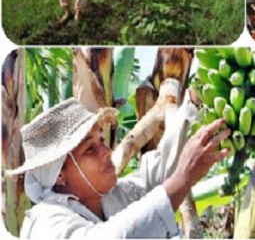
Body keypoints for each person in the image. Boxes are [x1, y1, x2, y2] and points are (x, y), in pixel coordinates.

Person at [5, 97, 231, 238]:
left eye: (102, 141)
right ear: (59, 175)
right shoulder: (45, 224)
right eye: (90, 150)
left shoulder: (113, 197)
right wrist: (181, 178)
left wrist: (193, 101)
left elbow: (158, 172)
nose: (106, 152)